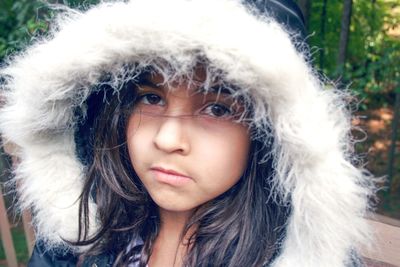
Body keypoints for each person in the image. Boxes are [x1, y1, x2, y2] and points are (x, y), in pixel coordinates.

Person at [0, 0, 375, 266]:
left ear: (269, 134)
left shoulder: (300, 256)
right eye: (151, 97)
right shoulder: (81, 229)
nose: (167, 139)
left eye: (217, 107)